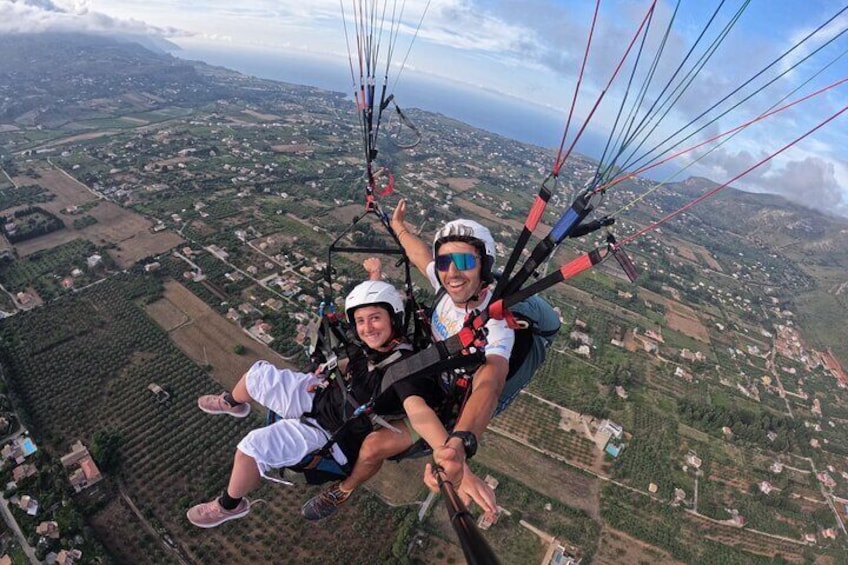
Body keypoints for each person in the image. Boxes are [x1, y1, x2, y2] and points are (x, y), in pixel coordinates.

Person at [186, 276, 453, 528]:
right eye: (360, 321)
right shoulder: (372, 346)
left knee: (250, 448)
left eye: (375, 319)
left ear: (393, 319)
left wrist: (449, 453)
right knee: (257, 375)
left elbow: (418, 412)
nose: (367, 327)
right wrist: (374, 276)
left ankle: (229, 505)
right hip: (320, 395)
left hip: (328, 433)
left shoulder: (403, 371)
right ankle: (234, 403)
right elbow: (355, 357)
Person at [301, 201, 512, 520]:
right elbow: (419, 255)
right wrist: (398, 226)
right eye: (446, 262)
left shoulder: (495, 326)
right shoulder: (446, 287)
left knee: (373, 446)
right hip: (418, 369)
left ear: (484, 266)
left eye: (464, 261)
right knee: (353, 360)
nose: (452, 272)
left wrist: (459, 446)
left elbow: (490, 384)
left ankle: (343, 490)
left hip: (440, 405)